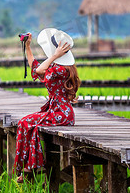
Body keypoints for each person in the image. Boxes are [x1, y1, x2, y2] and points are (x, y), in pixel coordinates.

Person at [14, 28, 81, 183]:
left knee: (26, 122)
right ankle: (26, 167)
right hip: (56, 110)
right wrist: (28, 46)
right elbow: (34, 66)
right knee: (26, 122)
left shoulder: (61, 69)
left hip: (61, 113)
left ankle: (28, 168)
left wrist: (55, 55)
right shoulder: (55, 67)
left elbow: (39, 69)